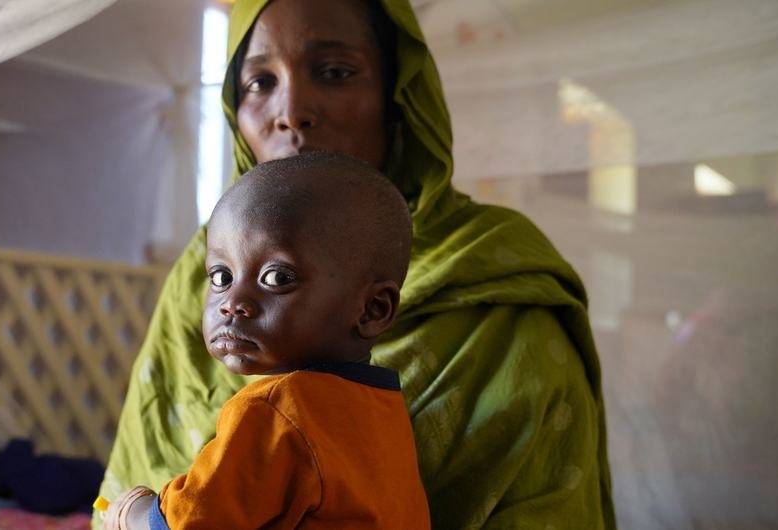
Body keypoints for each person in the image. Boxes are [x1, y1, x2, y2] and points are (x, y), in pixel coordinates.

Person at [98, 0, 616, 528]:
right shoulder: (201, 271)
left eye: (334, 72)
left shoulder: (499, 283)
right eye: (258, 82)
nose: (291, 109)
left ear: (398, 99)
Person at [98, 152, 429, 529]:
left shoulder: (273, 409)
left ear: (371, 309)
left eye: (277, 278)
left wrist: (134, 511)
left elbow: (187, 524)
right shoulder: (383, 409)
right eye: (221, 276)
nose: (233, 304)